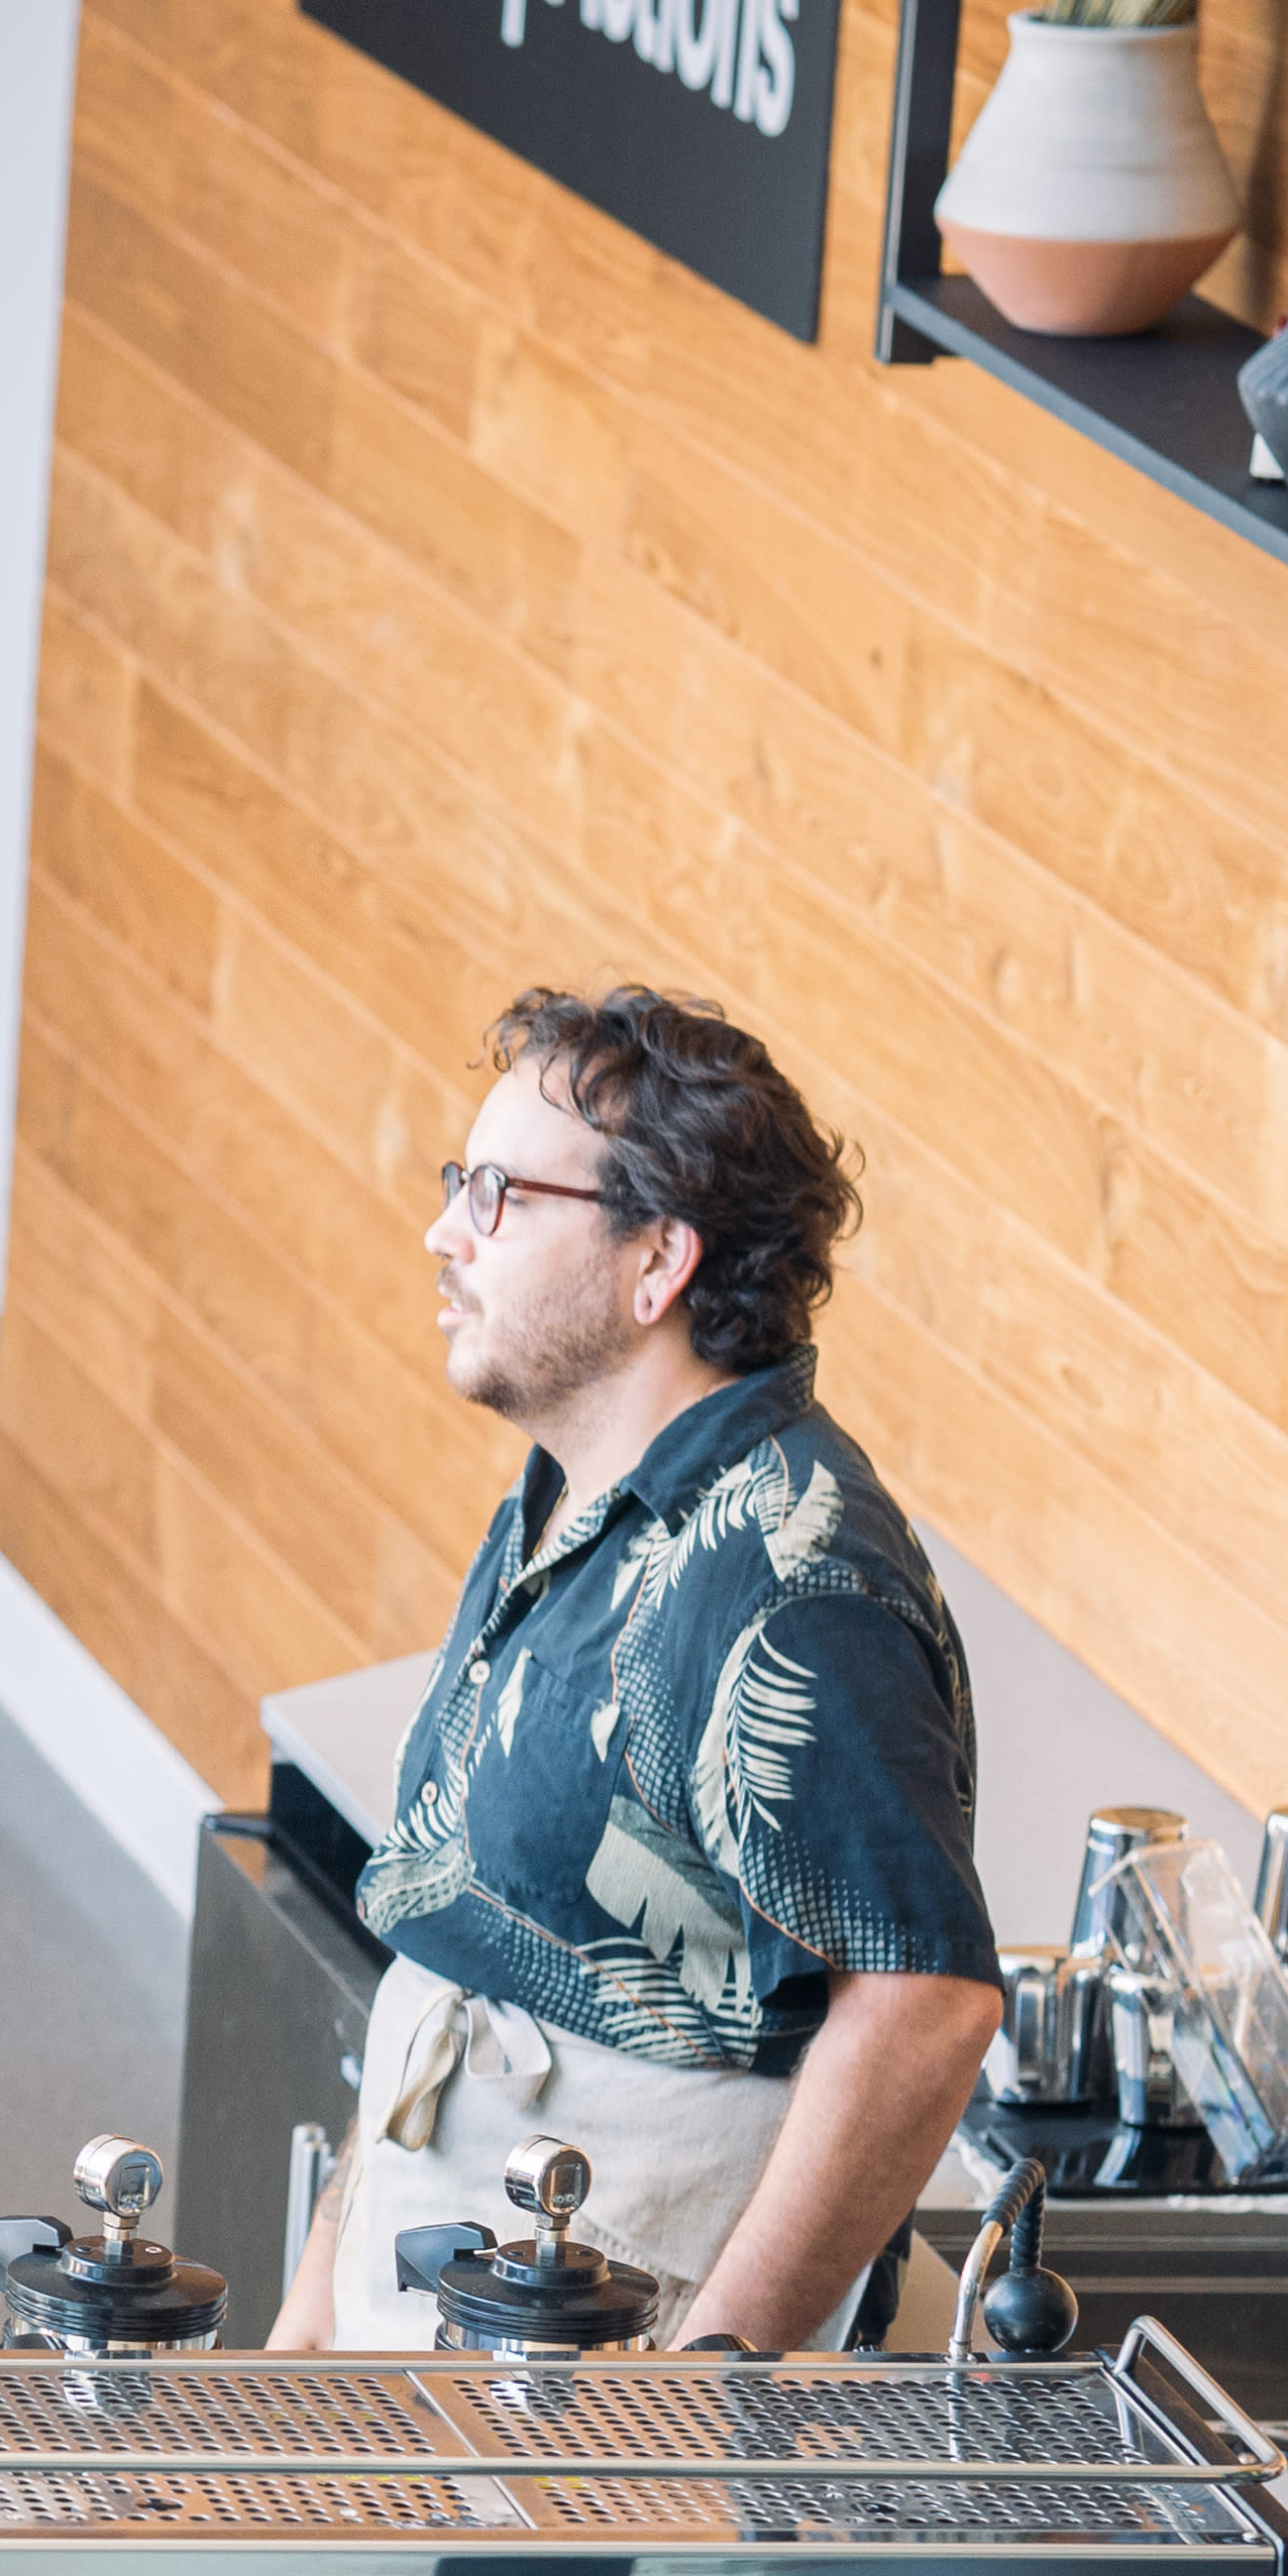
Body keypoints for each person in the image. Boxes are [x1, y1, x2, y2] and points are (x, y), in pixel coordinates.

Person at [285, 986, 1009, 2356]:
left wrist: (709, 2394)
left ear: (655, 1262)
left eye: (497, 1194)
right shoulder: (571, 1497)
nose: (444, 1232)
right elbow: (456, 1940)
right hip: (443, 2328)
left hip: (605, 2406)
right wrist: (305, 2335)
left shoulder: (790, 1577)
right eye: (459, 1183)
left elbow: (922, 2004)